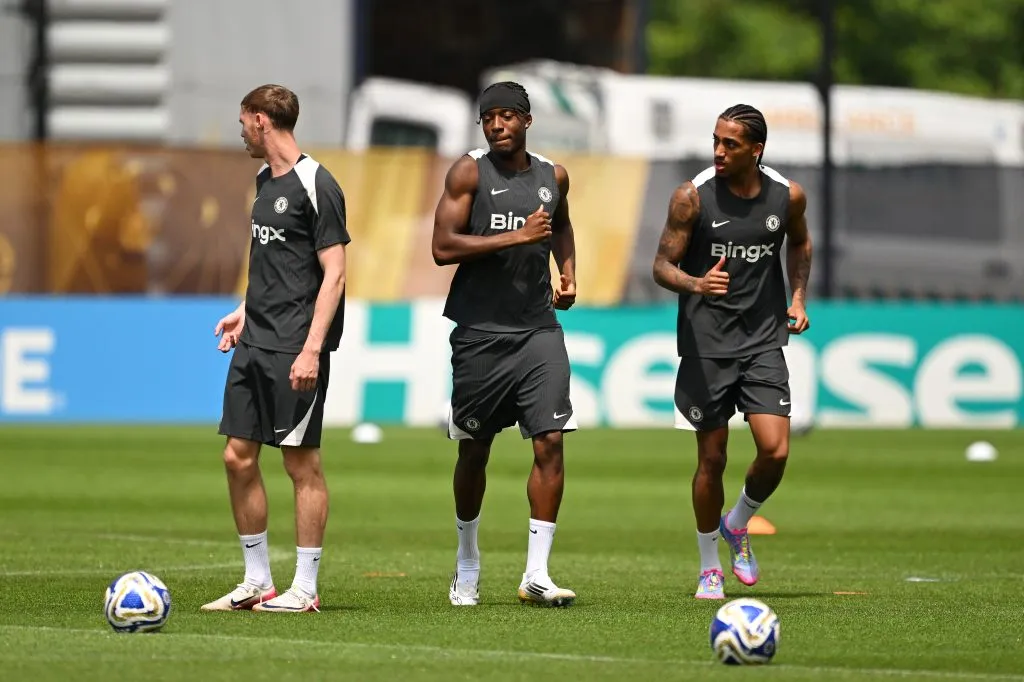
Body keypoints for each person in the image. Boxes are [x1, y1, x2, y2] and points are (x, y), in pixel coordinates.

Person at [651, 104, 813, 600]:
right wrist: (697, 283)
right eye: (716, 141)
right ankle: (708, 568)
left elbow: (800, 245)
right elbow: (661, 265)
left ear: (755, 150)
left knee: (776, 449)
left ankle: (738, 522)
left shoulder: (787, 197)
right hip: (708, 344)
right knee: (712, 459)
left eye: (730, 144)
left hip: (763, 338)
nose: (718, 151)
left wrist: (799, 296)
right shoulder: (691, 198)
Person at [201, 84, 350, 614]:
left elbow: (333, 274)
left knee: (300, 464)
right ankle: (257, 582)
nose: (240, 131)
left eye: (243, 121)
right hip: (255, 340)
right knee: (237, 457)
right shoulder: (265, 179)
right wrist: (246, 309)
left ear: (261, 120)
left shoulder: (318, 184)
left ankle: (304, 588)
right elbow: (271, 259)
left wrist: (311, 349)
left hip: (294, 346)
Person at [431, 81, 579, 607]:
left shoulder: (552, 175)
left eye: (507, 116)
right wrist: (515, 236)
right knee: (475, 450)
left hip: (538, 329)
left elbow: (560, 226)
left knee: (551, 442)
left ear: (527, 121)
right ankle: (467, 560)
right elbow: (442, 247)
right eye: (488, 117)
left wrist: (568, 272)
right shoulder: (468, 171)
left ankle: (537, 573)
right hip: (479, 333)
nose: (497, 126)